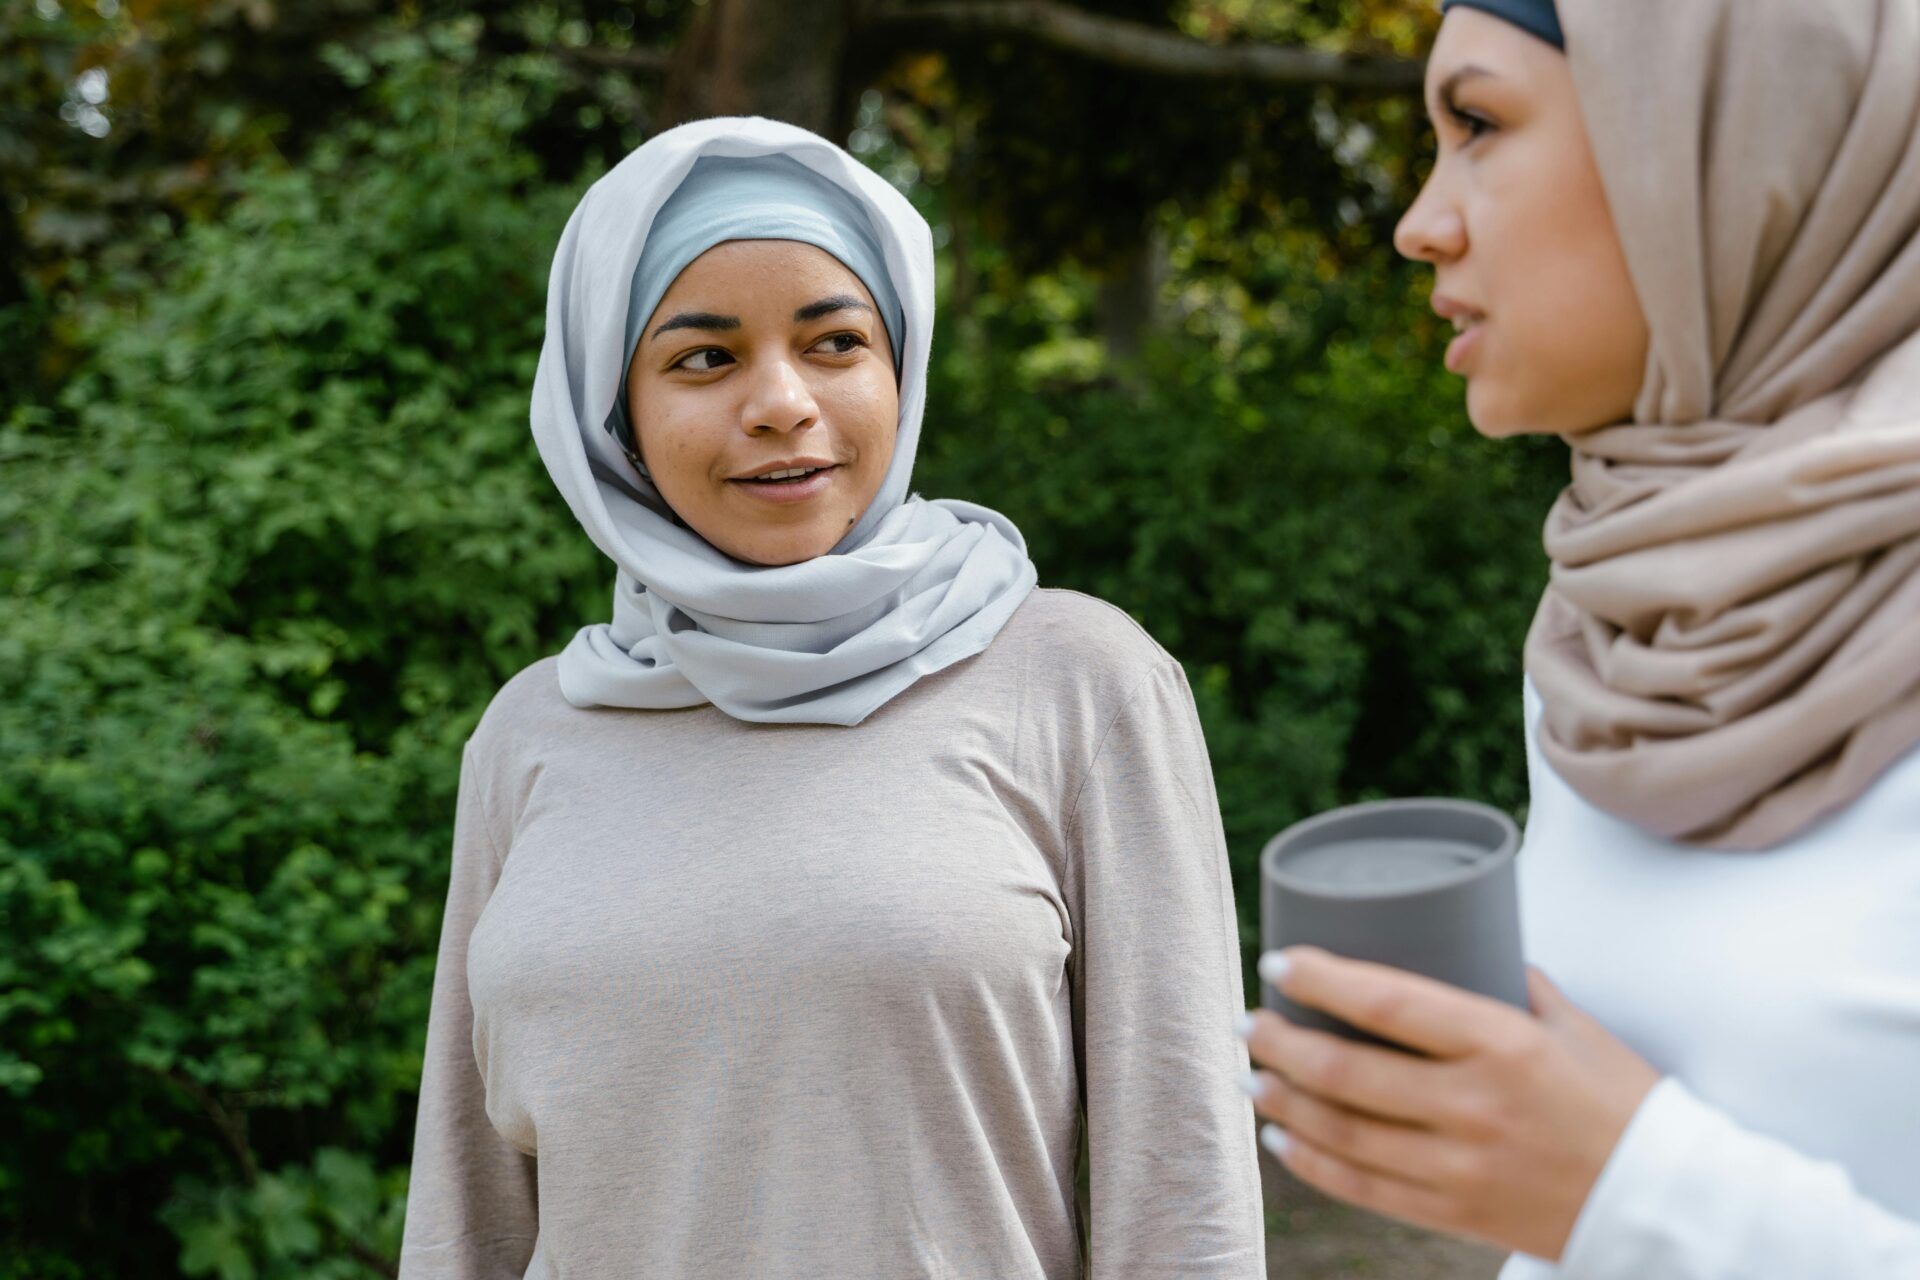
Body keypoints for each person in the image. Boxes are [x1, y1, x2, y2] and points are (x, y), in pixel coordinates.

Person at [396, 115, 1265, 1279]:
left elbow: (1185, 1190)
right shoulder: (534, 729)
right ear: (617, 421)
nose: (781, 401)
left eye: (835, 341)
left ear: (898, 367)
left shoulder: (1078, 681)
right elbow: (468, 1207)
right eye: (704, 357)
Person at [1236, 1, 1920, 1276]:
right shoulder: (1627, 618)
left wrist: (1623, 1190)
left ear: (1734, 144)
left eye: (1479, 123)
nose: (1418, 221)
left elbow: (1619, 1186)